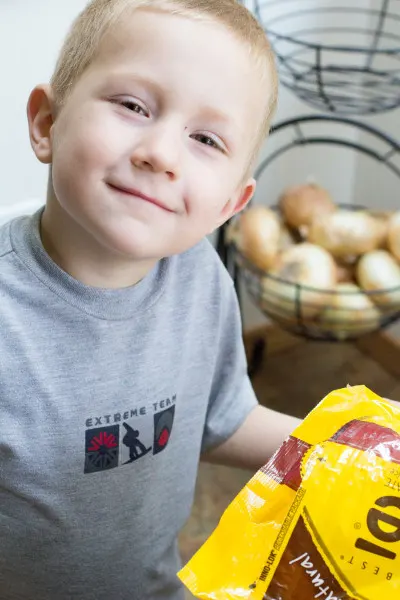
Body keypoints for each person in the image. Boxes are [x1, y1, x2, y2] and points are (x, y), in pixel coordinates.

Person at [0, 0, 301, 598]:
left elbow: (220, 420)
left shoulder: (200, 276)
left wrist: (349, 446)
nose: (160, 154)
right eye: (132, 106)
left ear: (230, 205)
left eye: (206, 139)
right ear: (46, 123)